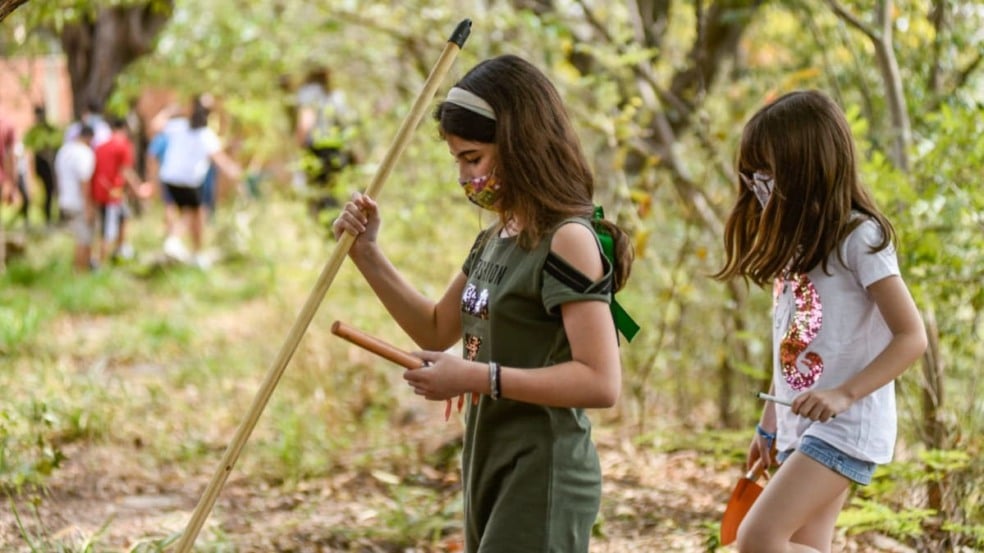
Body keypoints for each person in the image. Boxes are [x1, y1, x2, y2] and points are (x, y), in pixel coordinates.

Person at [332, 54, 636, 553]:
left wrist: (476, 376)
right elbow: (434, 329)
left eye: (473, 158)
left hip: (543, 469)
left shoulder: (568, 240)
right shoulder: (497, 237)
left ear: (520, 145)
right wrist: (366, 253)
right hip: (487, 458)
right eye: (458, 160)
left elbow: (601, 382)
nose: (464, 177)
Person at [714, 90, 928, 553]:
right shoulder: (796, 249)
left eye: (766, 173)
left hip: (845, 425)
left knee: (757, 540)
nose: (756, 186)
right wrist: (768, 424)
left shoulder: (858, 237)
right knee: (804, 545)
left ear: (805, 168)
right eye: (751, 175)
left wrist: (843, 394)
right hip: (798, 427)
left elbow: (911, 337)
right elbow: (787, 351)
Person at [157, 96, 241, 267]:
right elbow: (221, 160)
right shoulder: (205, 135)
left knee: (187, 212)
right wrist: (236, 173)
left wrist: (173, 110)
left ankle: (187, 248)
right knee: (196, 214)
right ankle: (179, 243)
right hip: (189, 181)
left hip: (170, 178)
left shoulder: (178, 126)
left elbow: (155, 125)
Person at [294, 66, 357, 212]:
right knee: (332, 190)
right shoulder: (336, 95)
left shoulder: (308, 92)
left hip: (318, 149)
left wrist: (299, 147)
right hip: (337, 148)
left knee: (320, 194)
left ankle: (329, 226)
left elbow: (305, 122)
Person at [91, 117, 150, 264]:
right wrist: (138, 190)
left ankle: (120, 250)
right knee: (108, 231)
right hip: (111, 194)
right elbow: (126, 171)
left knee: (124, 216)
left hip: (103, 191)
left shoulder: (100, 146)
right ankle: (100, 263)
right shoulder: (123, 145)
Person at [54, 125, 96, 272]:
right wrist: (88, 206)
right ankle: (80, 272)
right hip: (79, 202)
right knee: (83, 239)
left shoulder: (64, 151)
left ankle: (82, 270)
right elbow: (84, 181)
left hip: (65, 199)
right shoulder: (84, 153)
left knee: (79, 236)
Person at [23, 105, 61, 226]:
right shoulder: (33, 131)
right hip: (39, 164)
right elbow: (29, 152)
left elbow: (56, 144)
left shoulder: (49, 129)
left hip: (48, 163)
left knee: (51, 191)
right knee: (38, 193)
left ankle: (50, 216)